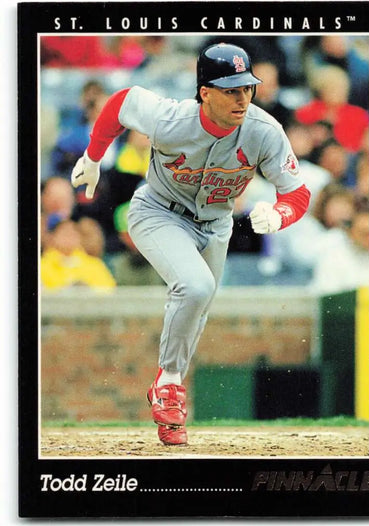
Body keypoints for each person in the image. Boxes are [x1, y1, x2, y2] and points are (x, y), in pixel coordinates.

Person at [71, 43, 311, 446]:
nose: (242, 98)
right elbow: (119, 103)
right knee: (196, 286)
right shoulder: (171, 118)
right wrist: (94, 157)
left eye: (247, 88)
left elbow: (297, 194)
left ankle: (168, 396)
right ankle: (168, 383)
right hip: (157, 212)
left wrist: (281, 214)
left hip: (216, 224)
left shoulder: (264, 130)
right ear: (205, 92)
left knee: (198, 305)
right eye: (231, 89)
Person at [40, 217, 116, 291]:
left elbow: (108, 290)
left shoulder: (95, 264)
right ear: (53, 237)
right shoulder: (42, 266)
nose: (69, 238)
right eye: (64, 234)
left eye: (73, 234)